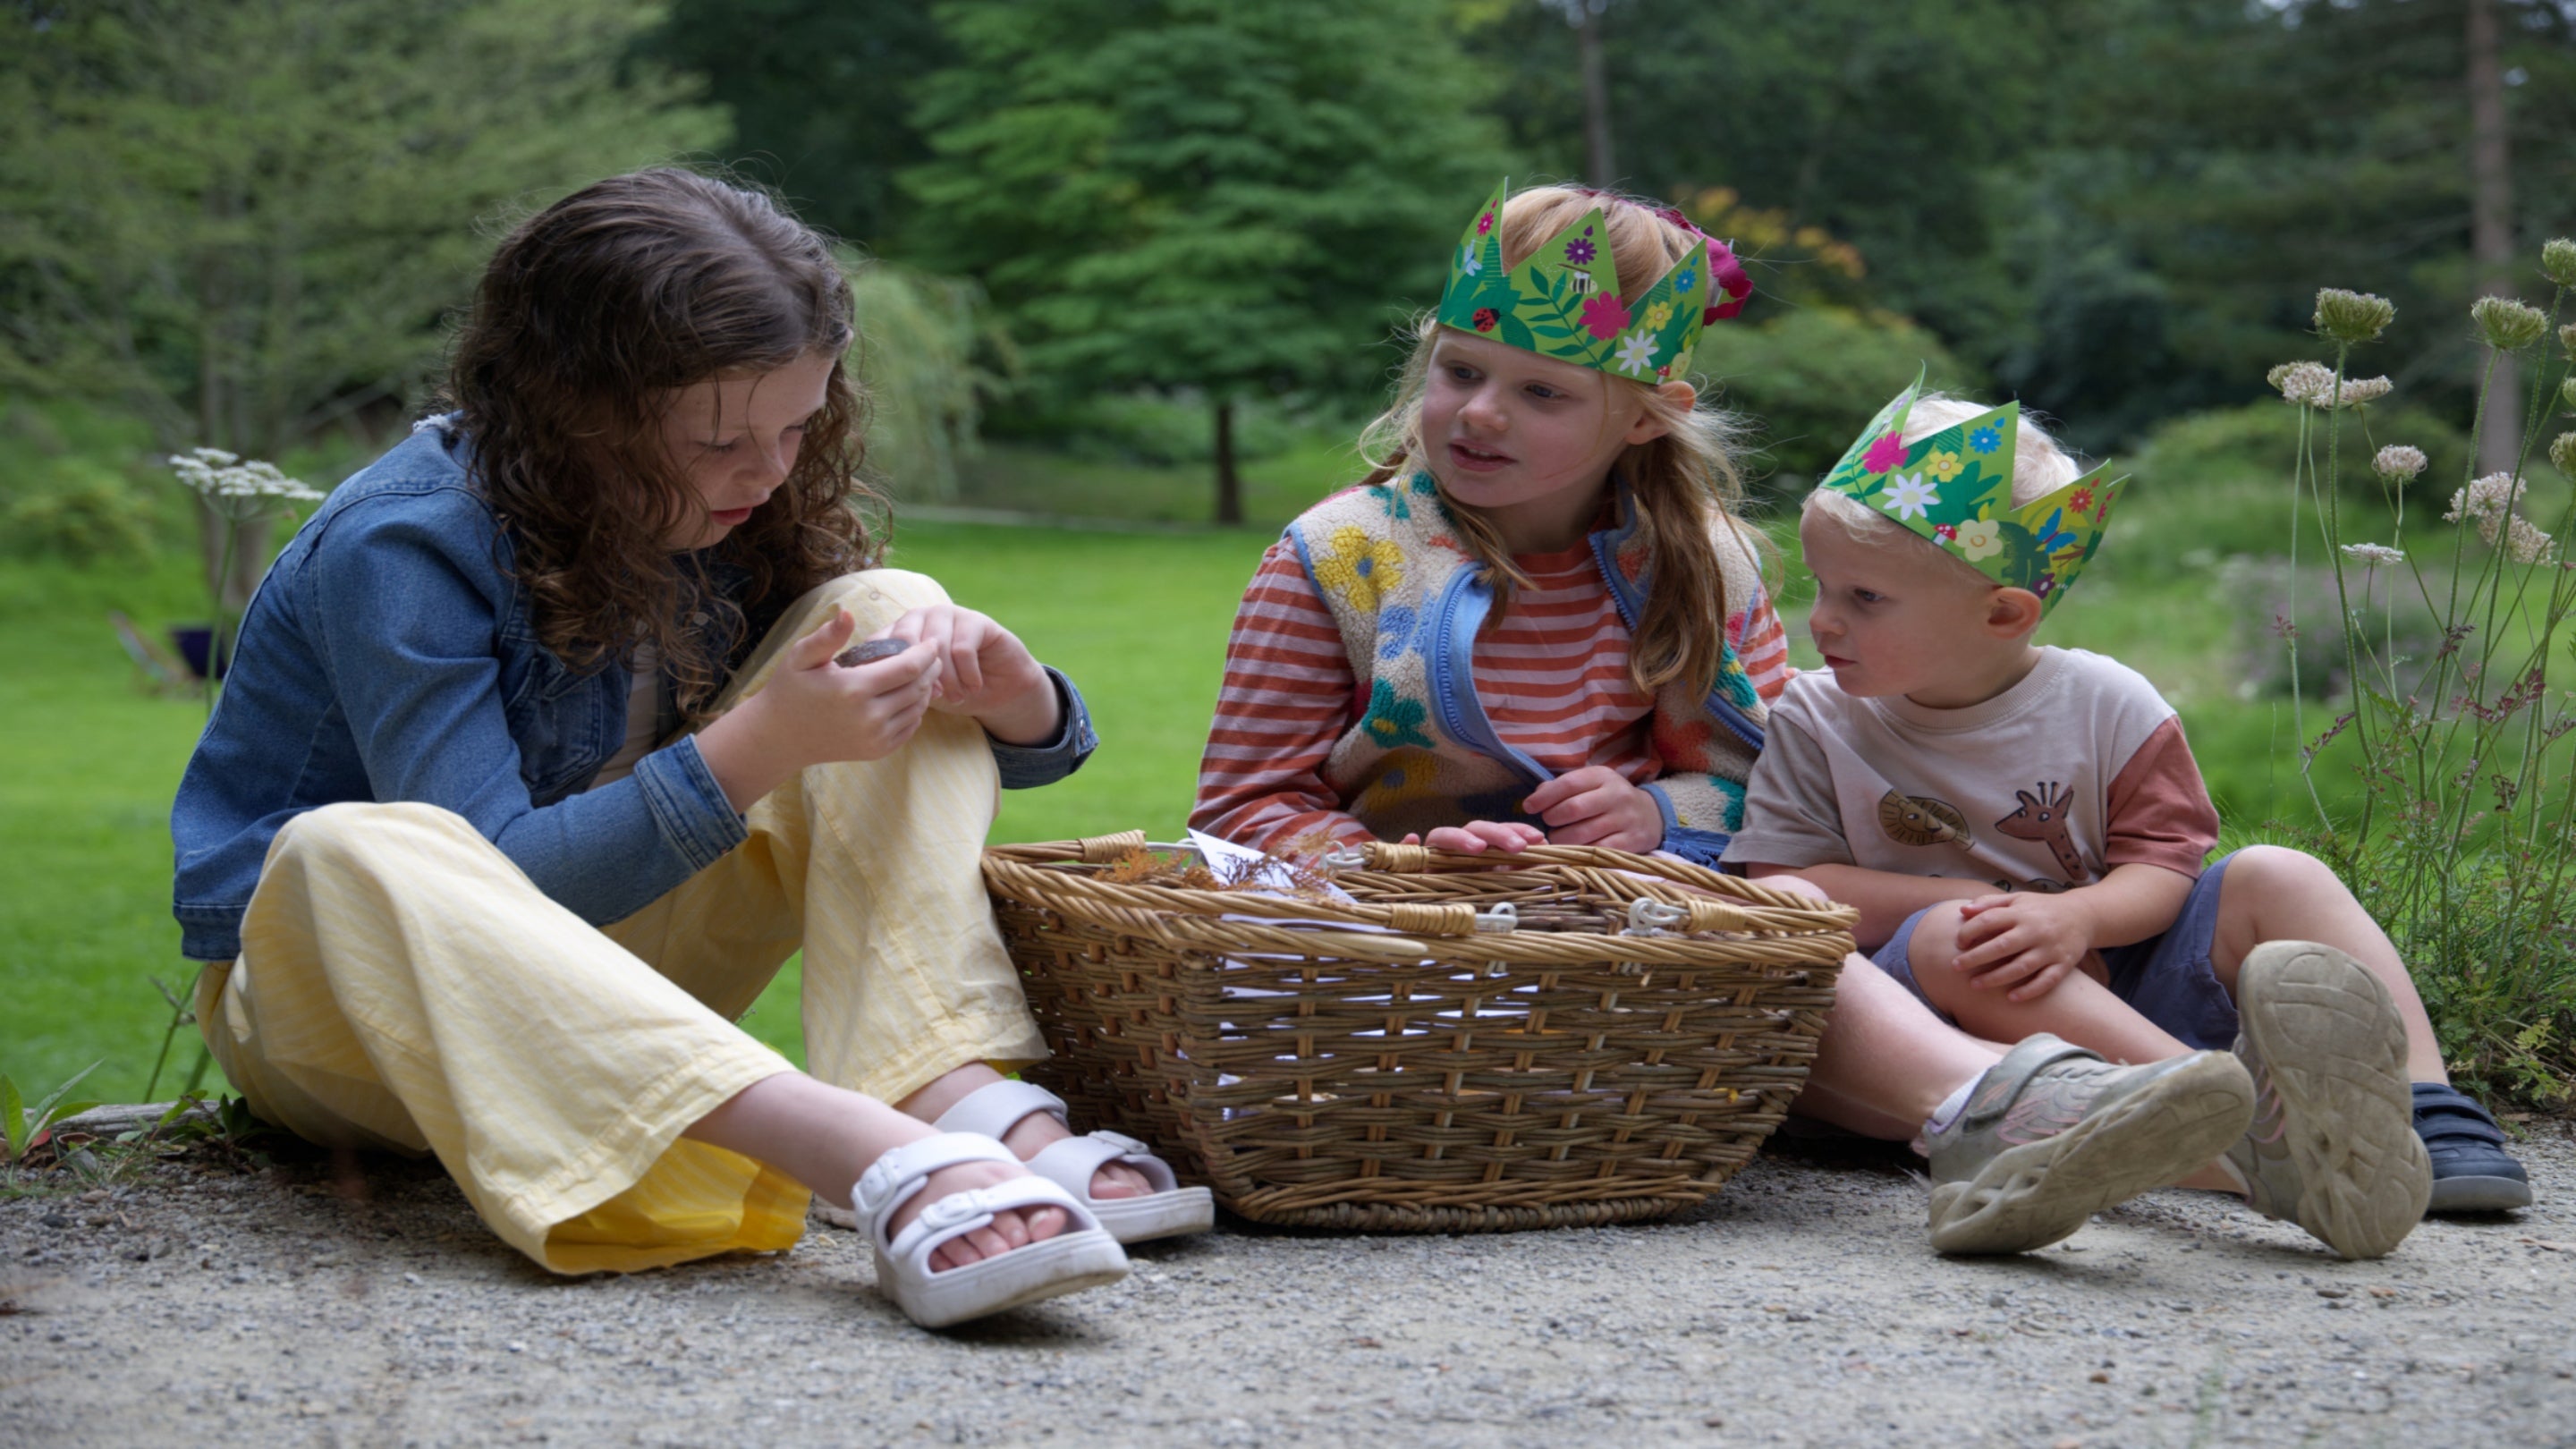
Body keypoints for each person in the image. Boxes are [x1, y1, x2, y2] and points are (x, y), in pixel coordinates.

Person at [168, 168, 1211, 1330]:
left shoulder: (732, 511)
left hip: (620, 975)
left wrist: (1022, 703)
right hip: (353, 1024)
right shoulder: (400, 548)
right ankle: (866, 1153)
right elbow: (499, 882)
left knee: (880, 608)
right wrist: (758, 747)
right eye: (719, 438)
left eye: (797, 425)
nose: (766, 474)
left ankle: (952, 1098)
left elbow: (903, 761)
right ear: (574, 413)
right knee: (345, 847)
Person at [1191, 180, 2265, 1258]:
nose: (1478, 412)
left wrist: (1657, 814)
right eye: (1460, 371)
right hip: (1400, 947)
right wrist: (1408, 868)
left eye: (1542, 392)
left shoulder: (1703, 563)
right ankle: (2154, 1133)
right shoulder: (1336, 559)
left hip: (1639, 943)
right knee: (1762, 929)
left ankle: (2009, 1114)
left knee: (1783, 922)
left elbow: (1759, 778)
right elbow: (1243, 804)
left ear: (1649, 412)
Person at [1719, 379, 2533, 1259]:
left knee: (2280, 875)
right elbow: (1785, 885)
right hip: (1942, 1011)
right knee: (1970, 933)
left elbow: (2164, 864)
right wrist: (1978, 895)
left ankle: (2424, 1108)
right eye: (1823, 586)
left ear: (2003, 613)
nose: (1824, 621)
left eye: (1865, 599)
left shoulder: (2107, 704)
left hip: (2112, 966)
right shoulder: (1815, 715)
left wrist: (2075, 916)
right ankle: (2237, 1128)